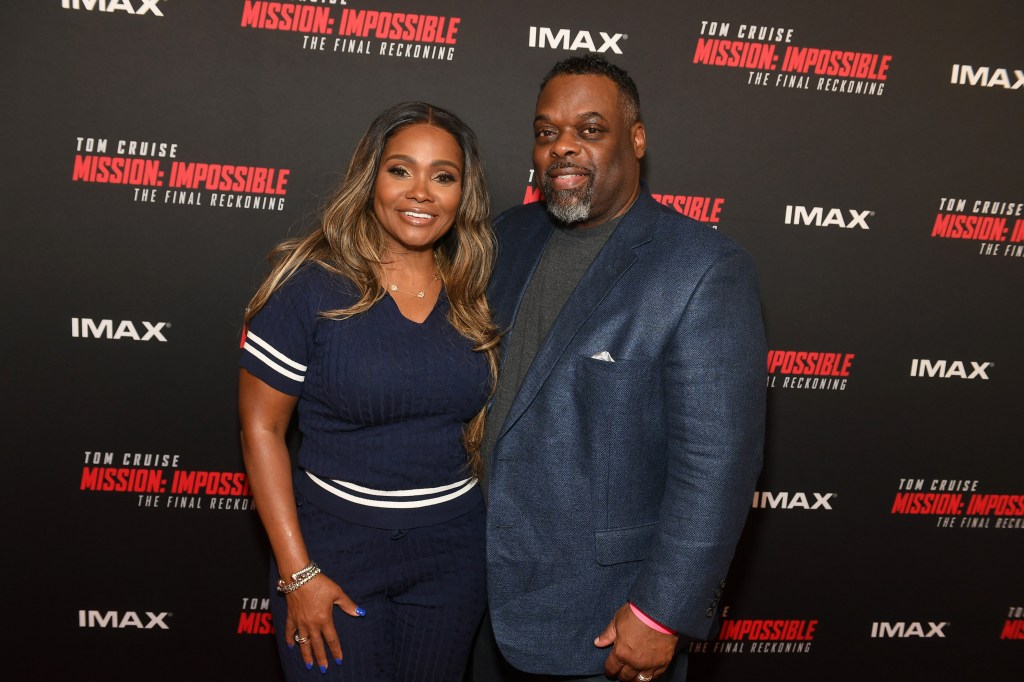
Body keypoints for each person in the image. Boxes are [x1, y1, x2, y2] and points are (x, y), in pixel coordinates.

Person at [473, 56, 766, 682]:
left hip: (601, 621)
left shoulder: (702, 267)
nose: (564, 148)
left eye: (590, 128)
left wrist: (663, 612)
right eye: (547, 132)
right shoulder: (504, 236)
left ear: (635, 138)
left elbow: (717, 462)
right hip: (476, 600)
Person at [238, 101, 499, 681]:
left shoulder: (477, 293)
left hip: (452, 559)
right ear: (371, 178)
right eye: (401, 170)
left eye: (444, 176)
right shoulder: (311, 286)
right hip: (334, 553)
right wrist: (298, 574)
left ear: (464, 194)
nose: (421, 192)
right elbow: (261, 429)